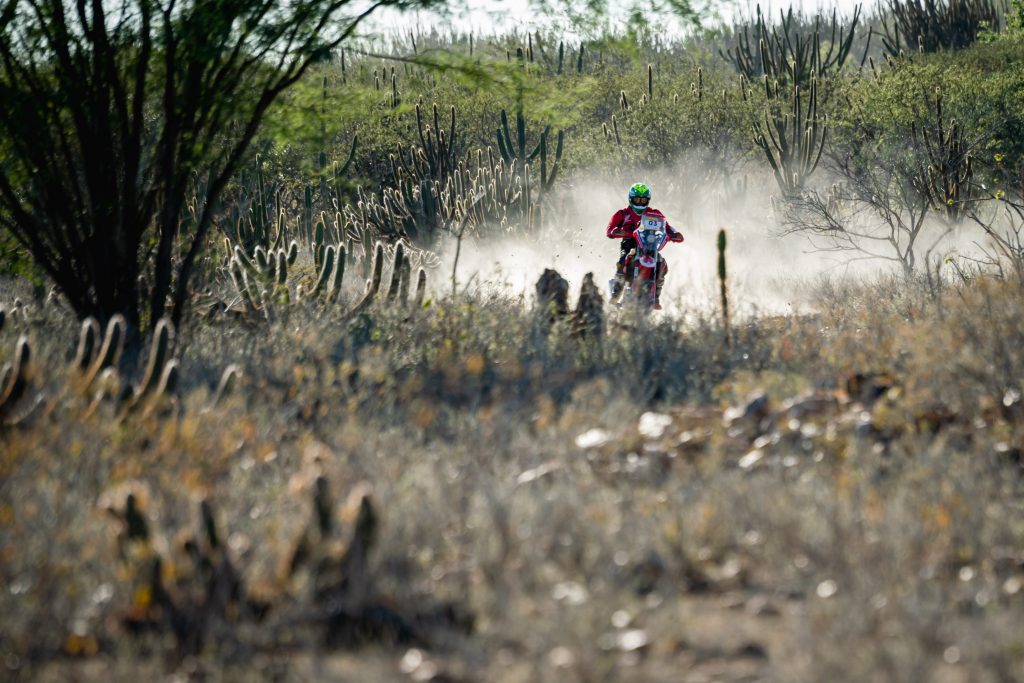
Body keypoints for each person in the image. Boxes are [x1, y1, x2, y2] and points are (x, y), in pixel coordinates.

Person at [606, 182, 683, 309]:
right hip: (630, 243)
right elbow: (610, 229)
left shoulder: (654, 213)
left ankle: (656, 297)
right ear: (631, 198)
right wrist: (617, 231)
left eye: (643, 200)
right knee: (623, 260)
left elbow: (667, 227)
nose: (640, 203)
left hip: (650, 245)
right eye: (637, 199)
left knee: (662, 263)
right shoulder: (623, 214)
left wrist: (674, 234)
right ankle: (616, 294)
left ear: (648, 200)